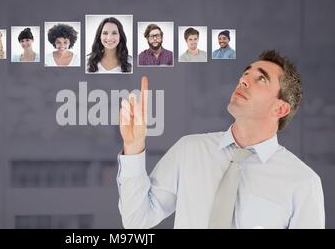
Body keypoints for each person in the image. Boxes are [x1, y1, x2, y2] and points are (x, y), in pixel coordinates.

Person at [117, 50, 325, 229]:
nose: (243, 79)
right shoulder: (189, 150)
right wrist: (133, 147)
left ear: (280, 108)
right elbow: (137, 219)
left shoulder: (303, 183)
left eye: (261, 78)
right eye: (246, 73)